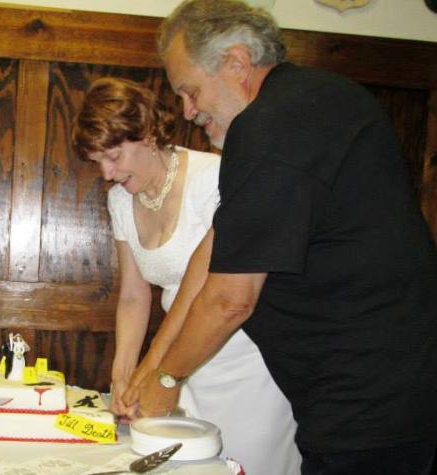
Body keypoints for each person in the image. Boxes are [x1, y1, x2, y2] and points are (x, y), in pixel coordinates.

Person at [122, 1, 437, 475]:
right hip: (387, 389)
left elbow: (230, 299)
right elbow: (215, 251)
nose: (188, 111)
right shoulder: (315, 100)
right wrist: (152, 366)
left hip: (368, 401)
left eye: (190, 91)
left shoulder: (268, 124)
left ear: (236, 63)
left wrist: (167, 380)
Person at [71, 77, 301, 475]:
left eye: (113, 156)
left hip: (241, 354)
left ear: (146, 134)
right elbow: (133, 296)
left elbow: (208, 290)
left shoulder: (215, 177)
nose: (107, 173)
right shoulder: (120, 200)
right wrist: (122, 377)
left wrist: (152, 371)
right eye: (98, 162)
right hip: (176, 363)